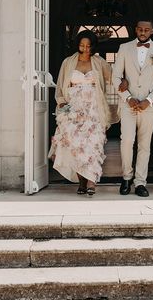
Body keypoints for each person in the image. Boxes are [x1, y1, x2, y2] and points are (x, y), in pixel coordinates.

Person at [49, 30, 113, 196]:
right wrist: (62, 102)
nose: (85, 48)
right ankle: (82, 182)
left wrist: (126, 82)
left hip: (94, 109)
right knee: (76, 146)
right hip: (74, 110)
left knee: (94, 144)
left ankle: (92, 180)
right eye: (82, 45)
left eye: (88, 46)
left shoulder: (99, 62)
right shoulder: (68, 62)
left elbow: (113, 78)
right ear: (77, 44)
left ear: (93, 47)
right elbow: (60, 86)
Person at [112, 19, 153, 197]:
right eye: (140, 29)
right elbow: (115, 77)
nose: (143, 32)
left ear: (152, 31)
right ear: (135, 30)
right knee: (127, 141)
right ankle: (126, 177)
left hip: (148, 107)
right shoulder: (124, 48)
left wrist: (149, 100)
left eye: (146, 30)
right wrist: (127, 97)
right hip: (128, 104)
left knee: (145, 145)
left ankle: (140, 182)